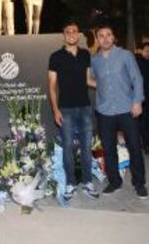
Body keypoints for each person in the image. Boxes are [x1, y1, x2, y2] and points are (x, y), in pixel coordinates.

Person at [90, 24, 148, 198]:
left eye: (109, 34)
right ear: (97, 39)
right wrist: (101, 87)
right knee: (108, 149)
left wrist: (137, 101)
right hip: (104, 110)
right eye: (101, 35)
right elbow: (91, 79)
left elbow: (137, 78)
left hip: (126, 109)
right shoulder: (94, 60)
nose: (105, 38)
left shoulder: (125, 55)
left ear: (113, 37)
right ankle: (115, 182)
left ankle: (139, 183)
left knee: (134, 148)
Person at [48, 21, 99, 201]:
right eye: (68, 31)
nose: (71, 34)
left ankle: (87, 182)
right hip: (66, 109)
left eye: (74, 31)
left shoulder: (85, 54)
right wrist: (55, 110)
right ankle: (70, 183)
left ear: (78, 35)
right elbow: (52, 86)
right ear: (64, 35)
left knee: (86, 147)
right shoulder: (56, 56)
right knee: (68, 148)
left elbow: (88, 80)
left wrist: (107, 86)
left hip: (85, 107)